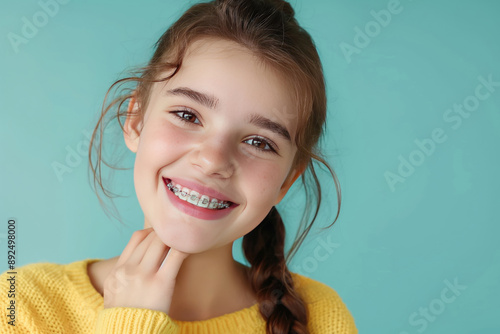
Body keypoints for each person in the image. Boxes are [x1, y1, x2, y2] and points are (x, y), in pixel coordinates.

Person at [1, 0, 357, 333]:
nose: (213, 160)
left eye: (259, 142)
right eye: (187, 115)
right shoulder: (19, 306)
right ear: (136, 121)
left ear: (287, 181)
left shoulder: (320, 316)